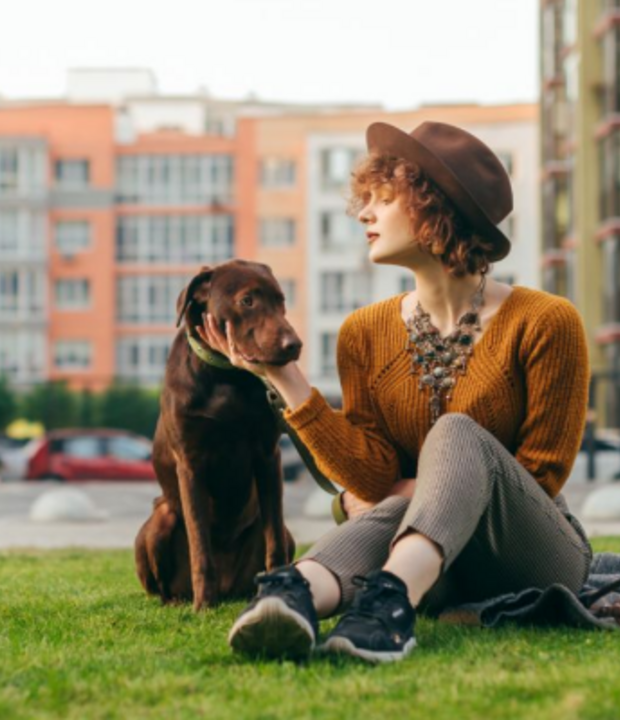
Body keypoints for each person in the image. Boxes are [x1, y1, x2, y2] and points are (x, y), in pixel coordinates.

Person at [198, 121, 592, 664]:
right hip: (433, 559)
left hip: (534, 553)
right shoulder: (363, 333)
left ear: (438, 211)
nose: (364, 214)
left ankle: (390, 603)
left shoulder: (546, 321)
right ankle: (295, 594)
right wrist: (283, 378)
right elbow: (370, 474)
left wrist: (401, 491)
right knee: (389, 512)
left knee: (452, 435)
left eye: (383, 200)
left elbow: (541, 475)